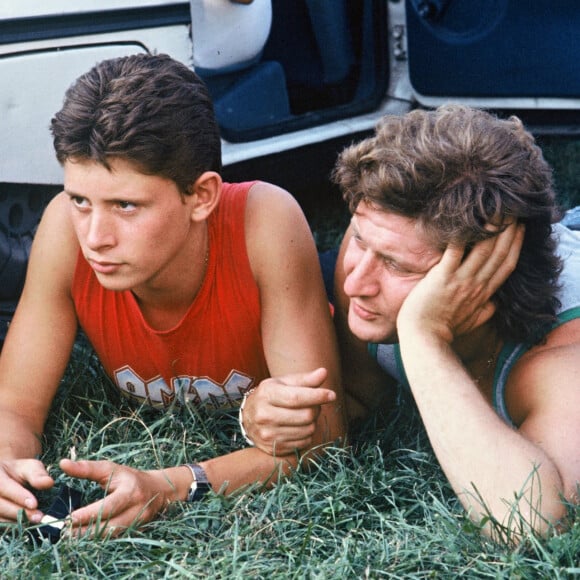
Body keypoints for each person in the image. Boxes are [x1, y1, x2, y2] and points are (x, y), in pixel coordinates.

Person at [0, 53, 344, 536]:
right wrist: (6, 463)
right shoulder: (65, 228)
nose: (96, 236)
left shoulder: (264, 221)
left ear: (202, 196)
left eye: (125, 205)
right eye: (81, 199)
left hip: (304, 287)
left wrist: (173, 484)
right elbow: (13, 403)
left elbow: (323, 435)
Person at [242, 104, 580, 540]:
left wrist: (423, 339)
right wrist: (259, 410)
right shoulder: (369, 258)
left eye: (396, 266)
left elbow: (530, 523)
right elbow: (357, 400)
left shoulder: (558, 355)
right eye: (360, 240)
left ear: (484, 274)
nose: (355, 283)